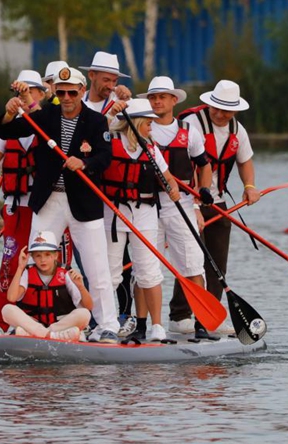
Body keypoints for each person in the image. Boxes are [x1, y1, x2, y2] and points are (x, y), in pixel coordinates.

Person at [0, 66, 119, 344]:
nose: (66, 97)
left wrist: (84, 163)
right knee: (35, 263)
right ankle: (32, 322)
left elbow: (105, 156)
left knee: (97, 267)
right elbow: (6, 130)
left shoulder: (96, 122)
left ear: (82, 92)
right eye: (60, 92)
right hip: (48, 201)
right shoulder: (45, 116)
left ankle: (107, 325)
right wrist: (9, 110)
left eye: (71, 92)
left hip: (84, 204)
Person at [126, 76, 214, 340]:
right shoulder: (140, 128)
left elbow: (204, 165)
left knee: (192, 265)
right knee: (145, 267)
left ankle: (201, 322)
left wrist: (204, 192)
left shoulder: (190, 131)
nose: (156, 101)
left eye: (162, 97)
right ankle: (141, 324)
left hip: (181, 205)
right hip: (148, 205)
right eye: (153, 97)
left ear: (174, 100)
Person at [172, 79, 259, 339]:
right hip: (187, 200)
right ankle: (180, 316)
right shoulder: (191, 124)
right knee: (190, 260)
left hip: (217, 202)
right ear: (209, 104)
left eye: (227, 110)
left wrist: (250, 185)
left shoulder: (237, 130)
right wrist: (194, 205)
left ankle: (210, 315)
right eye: (217, 108)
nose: (221, 115)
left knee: (217, 262)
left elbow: (245, 161)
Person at [0, 69, 49, 335]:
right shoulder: (9, 129)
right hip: (15, 209)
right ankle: (1, 323)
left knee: (43, 264)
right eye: (19, 92)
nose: (23, 97)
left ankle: (38, 322)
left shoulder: (47, 123)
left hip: (44, 209)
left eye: (29, 92)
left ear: (39, 94)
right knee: (10, 266)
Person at [102, 98, 181, 341]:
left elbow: (169, 178)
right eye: (148, 123)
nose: (151, 128)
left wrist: (173, 188)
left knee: (148, 271)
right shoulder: (109, 142)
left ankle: (157, 326)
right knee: (111, 272)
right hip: (114, 212)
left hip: (144, 212)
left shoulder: (151, 148)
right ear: (134, 124)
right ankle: (107, 323)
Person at [79, 51, 135, 333]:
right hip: (84, 190)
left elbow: (137, 135)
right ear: (91, 77)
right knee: (86, 259)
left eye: (113, 80)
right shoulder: (76, 102)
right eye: (104, 79)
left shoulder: (121, 104)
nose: (109, 85)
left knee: (120, 259)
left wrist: (126, 105)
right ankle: (89, 319)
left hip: (114, 192)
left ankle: (124, 316)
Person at [1, 231, 91, 341]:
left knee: (84, 314)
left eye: (47, 254)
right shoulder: (27, 272)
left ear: (55, 255)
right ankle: (53, 336)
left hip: (60, 324)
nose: (43, 260)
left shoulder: (66, 273)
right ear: (32, 257)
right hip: (34, 322)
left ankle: (33, 334)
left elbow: (88, 307)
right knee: (7, 310)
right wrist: (20, 268)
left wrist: (81, 287)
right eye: (38, 255)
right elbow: (11, 297)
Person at [79, 51, 132, 120]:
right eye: (106, 80)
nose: (110, 86)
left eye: (114, 81)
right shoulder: (78, 101)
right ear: (91, 75)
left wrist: (129, 101)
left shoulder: (121, 103)